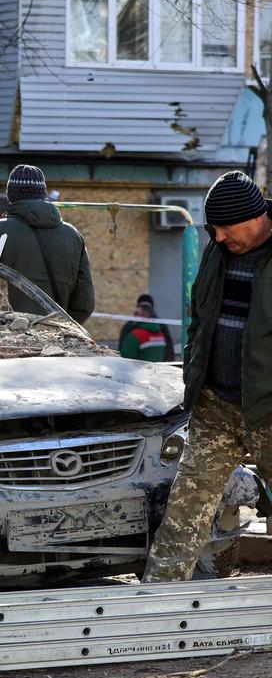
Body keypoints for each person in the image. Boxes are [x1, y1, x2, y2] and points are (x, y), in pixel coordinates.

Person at [142, 170, 272, 582]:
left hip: (268, 408)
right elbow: (200, 317)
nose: (217, 239)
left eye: (225, 228)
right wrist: (194, 375)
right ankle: (152, 610)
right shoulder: (217, 251)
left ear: (255, 217)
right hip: (215, 404)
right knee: (184, 510)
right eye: (212, 229)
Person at [0, 164, 95, 323]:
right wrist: (62, 324)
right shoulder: (73, 236)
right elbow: (84, 303)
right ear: (43, 193)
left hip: (7, 336)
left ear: (10, 195)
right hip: (60, 334)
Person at [118, 293, 174, 361]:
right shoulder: (161, 326)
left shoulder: (130, 327)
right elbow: (169, 347)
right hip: (160, 367)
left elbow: (123, 351)